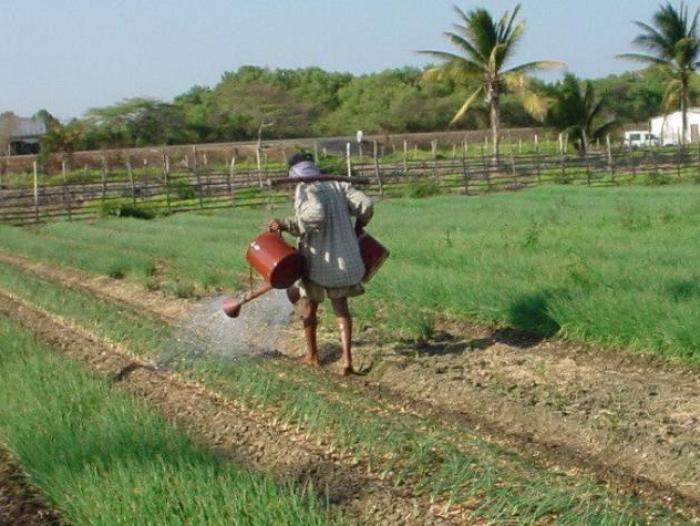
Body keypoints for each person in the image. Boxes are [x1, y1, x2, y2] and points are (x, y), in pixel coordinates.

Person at [267, 152, 373, 376]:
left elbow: (315, 215)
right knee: (341, 307)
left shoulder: (306, 188)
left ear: (294, 173)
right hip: (345, 258)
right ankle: (346, 360)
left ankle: (312, 356)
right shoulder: (338, 185)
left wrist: (286, 224)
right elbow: (366, 205)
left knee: (308, 305)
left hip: (319, 261)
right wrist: (358, 227)